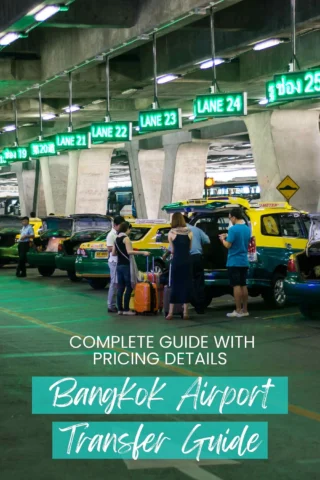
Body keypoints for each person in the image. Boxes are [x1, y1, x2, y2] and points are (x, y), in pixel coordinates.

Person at [112, 222, 150, 315]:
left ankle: (120, 309)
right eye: (129, 229)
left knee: (121, 288)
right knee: (129, 287)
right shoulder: (126, 238)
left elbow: (113, 253)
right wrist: (143, 252)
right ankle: (126, 309)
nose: (130, 231)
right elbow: (129, 252)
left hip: (119, 266)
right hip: (126, 265)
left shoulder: (116, 239)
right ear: (126, 229)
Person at [219, 208, 251, 317]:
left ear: (234, 217)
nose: (230, 220)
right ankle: (245, 310)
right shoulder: (247, 228)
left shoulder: (233, 229)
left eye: (230, 218)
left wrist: (223, 239)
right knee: (243, 284)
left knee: (236, 285)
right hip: (244, 260)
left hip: (234, 261)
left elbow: (228, 245)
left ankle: (237, 310)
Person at [166, 213, 193, 320]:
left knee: (175, 284)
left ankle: (171, 312)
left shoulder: (171, 233)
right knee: (186, 284)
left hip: (177, 261)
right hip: (187, 260)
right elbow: (190, 248)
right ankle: (185, 312)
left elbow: (172, 250)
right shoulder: (189, 232)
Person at [184, 215, 210, 314]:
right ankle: (200, 307)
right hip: (198, 258)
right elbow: (207, 240)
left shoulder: (179, 231)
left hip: (186, 258)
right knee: (199, 282)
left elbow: (172, 248)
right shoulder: (197, 229)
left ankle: (187, 305)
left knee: (187, 282)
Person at [106, 215, 125, 312]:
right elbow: (109, 248)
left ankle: (115, 304)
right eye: (121, 225)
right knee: (113, 283)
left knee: (118, 283)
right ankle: (110, 305)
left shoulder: (118, 234)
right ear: (116, 225)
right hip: (114, 262)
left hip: (118, 261)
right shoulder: (111, 235)